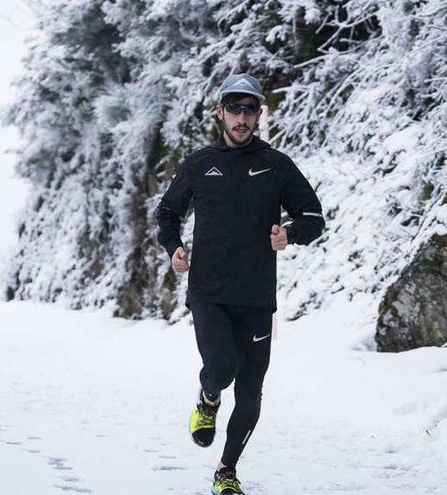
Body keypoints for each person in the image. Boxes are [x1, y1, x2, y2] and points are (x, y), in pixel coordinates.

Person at [156, 74, 325, 495]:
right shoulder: (199, 163)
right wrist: (174, 247)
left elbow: (314, 217)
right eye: (235, 108)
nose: (242, 117)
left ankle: (226, 470)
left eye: (251, 109)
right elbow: (166, 213)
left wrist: (291, 233)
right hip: (209, 292)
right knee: (222, 369)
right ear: (220, 112)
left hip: (255, 296)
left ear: (259, 114)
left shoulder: (276, 164)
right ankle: (208, 396)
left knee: (251, 391)